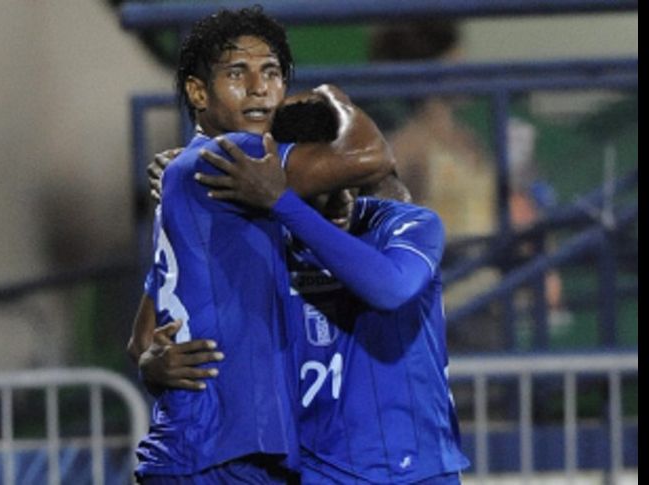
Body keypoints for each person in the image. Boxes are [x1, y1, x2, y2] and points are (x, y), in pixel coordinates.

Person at [141, 95, 471, 484]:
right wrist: (153, 366)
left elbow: (390, 288)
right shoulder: (262, 244)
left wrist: (284, 203)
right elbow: (147, 335)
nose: (339, 200)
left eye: (345, 183)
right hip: (314, 470)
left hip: (417, 472)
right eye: (322, 186)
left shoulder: (405, 226)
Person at [129, 6, 396, 484]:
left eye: (271, 73)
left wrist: (153, 364)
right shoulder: (231, 160)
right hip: (218, 453)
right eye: (237, 73)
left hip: (219, 451)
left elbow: (142, 340)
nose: (259, 88)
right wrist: (331, 95)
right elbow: (370, 156)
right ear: (197, 92)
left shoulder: (190, 182)